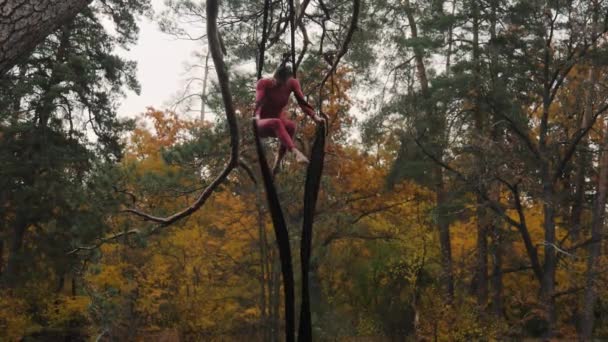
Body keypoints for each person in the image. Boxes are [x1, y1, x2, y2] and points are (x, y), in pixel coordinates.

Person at [254, 63, 324, 174]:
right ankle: (296, 152)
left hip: (277, 124)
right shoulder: (264, 83)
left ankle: (277, 162)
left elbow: (302, 102)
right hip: (261, 124)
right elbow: (258, 102)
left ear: (287, 80)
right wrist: (256, 117)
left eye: (280, 83)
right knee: (276, 122)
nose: (276, 84)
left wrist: (315, 117)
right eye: (275, 81)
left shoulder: (292, 83)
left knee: (291, 126)